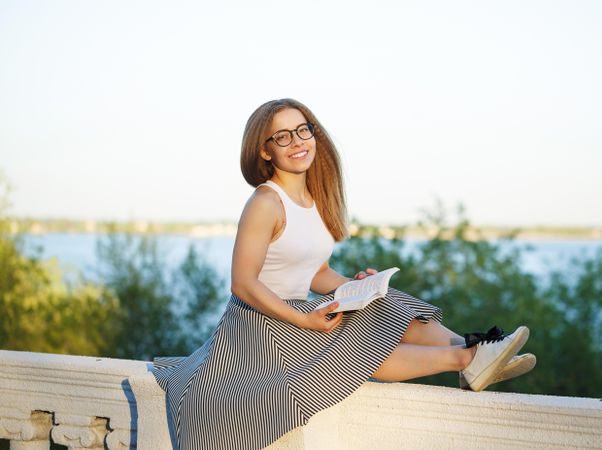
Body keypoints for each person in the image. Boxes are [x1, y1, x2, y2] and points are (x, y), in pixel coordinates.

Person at [152, 98, 536, 450]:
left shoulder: (313, 200)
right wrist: (304, 318)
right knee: (354, 350)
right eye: (282, 136)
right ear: (265, 150)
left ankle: (477, 350)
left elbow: (315, 271)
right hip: (259, 327)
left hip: (298, 311)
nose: (297, 141)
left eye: (303, 130)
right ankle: (466, 360)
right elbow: (243, 282)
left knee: (388, 301)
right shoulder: (265, 202)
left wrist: (356, 287)